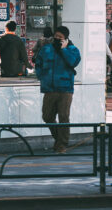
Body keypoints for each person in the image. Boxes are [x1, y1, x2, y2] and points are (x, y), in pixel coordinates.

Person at [34, 26, 81, 154]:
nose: (57, 39)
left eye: (60, 37)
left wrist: (63, 50)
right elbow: (38, 62)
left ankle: (62, 145)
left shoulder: (72, 50)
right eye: (56, 36)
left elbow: (73, 62)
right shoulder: (46, 49)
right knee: (47, 116)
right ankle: (59, 139)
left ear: (66, 38)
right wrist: (41, 75)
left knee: (63, 117)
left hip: (65, 89)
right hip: (49, 88)